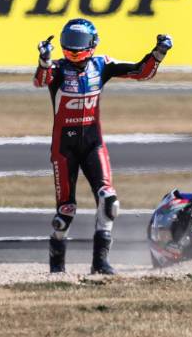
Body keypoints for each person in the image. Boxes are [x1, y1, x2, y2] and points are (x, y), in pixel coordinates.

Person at [33, 18, 173, 274]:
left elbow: (140, 72)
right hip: (64, 149)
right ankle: (56, 268)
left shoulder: (102, 65)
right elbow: (40, 80)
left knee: (109, 201)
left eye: (80, 43)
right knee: (65, 213)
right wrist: (44, 59)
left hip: (93, 144)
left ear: (93, 43)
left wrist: (158, 53)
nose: (74, 50)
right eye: (70, 43)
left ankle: (100, 263)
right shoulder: (57, 69)